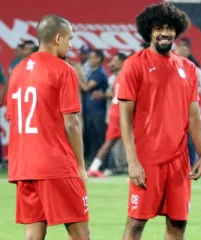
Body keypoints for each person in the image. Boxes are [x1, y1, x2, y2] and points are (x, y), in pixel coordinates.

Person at [117, 3, 201, 240]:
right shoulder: (134, 64)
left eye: (169, 28)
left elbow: (194, 115)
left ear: (177, 31)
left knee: (178, 225)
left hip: (179, 162)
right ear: (149, 31)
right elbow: (124, 116)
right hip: (147, 160)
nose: (164, 32)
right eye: (158, 28)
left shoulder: (188, 68)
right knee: (136, 224)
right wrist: (132, 161)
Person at [6, 15, 89, 240]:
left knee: (33, 234)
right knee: (81, 234)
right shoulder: (63, 70)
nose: (70, 44)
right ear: (58, 38)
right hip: (56, 164)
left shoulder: (18, 71)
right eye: (69, 39)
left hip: (24, 166)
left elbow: (12, 118)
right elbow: (71, 123)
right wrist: (80, 167)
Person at [88, 52, 128, 177]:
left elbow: (114, 93)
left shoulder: (118, 78)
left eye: (115, 60)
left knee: (109, 142)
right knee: (139, 141)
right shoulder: (128, 76)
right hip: (122, 113)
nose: (112, 63)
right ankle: (140, 169)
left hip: (114, 112)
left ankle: (94, 168)